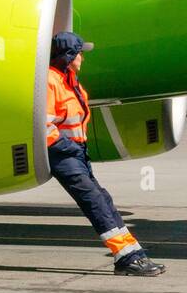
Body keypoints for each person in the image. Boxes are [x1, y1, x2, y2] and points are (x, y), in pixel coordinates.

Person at [46, 32, 165, 276]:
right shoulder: (51, 81)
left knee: (103, 199)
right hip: (63, 153)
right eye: (79, 53)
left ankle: (135, 254)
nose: (82, 58)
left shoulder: (68, 78)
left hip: (76, 152)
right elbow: (44, 127)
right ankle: (127, 258)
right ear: (68, 55)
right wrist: (68, 147)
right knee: (95, 202)